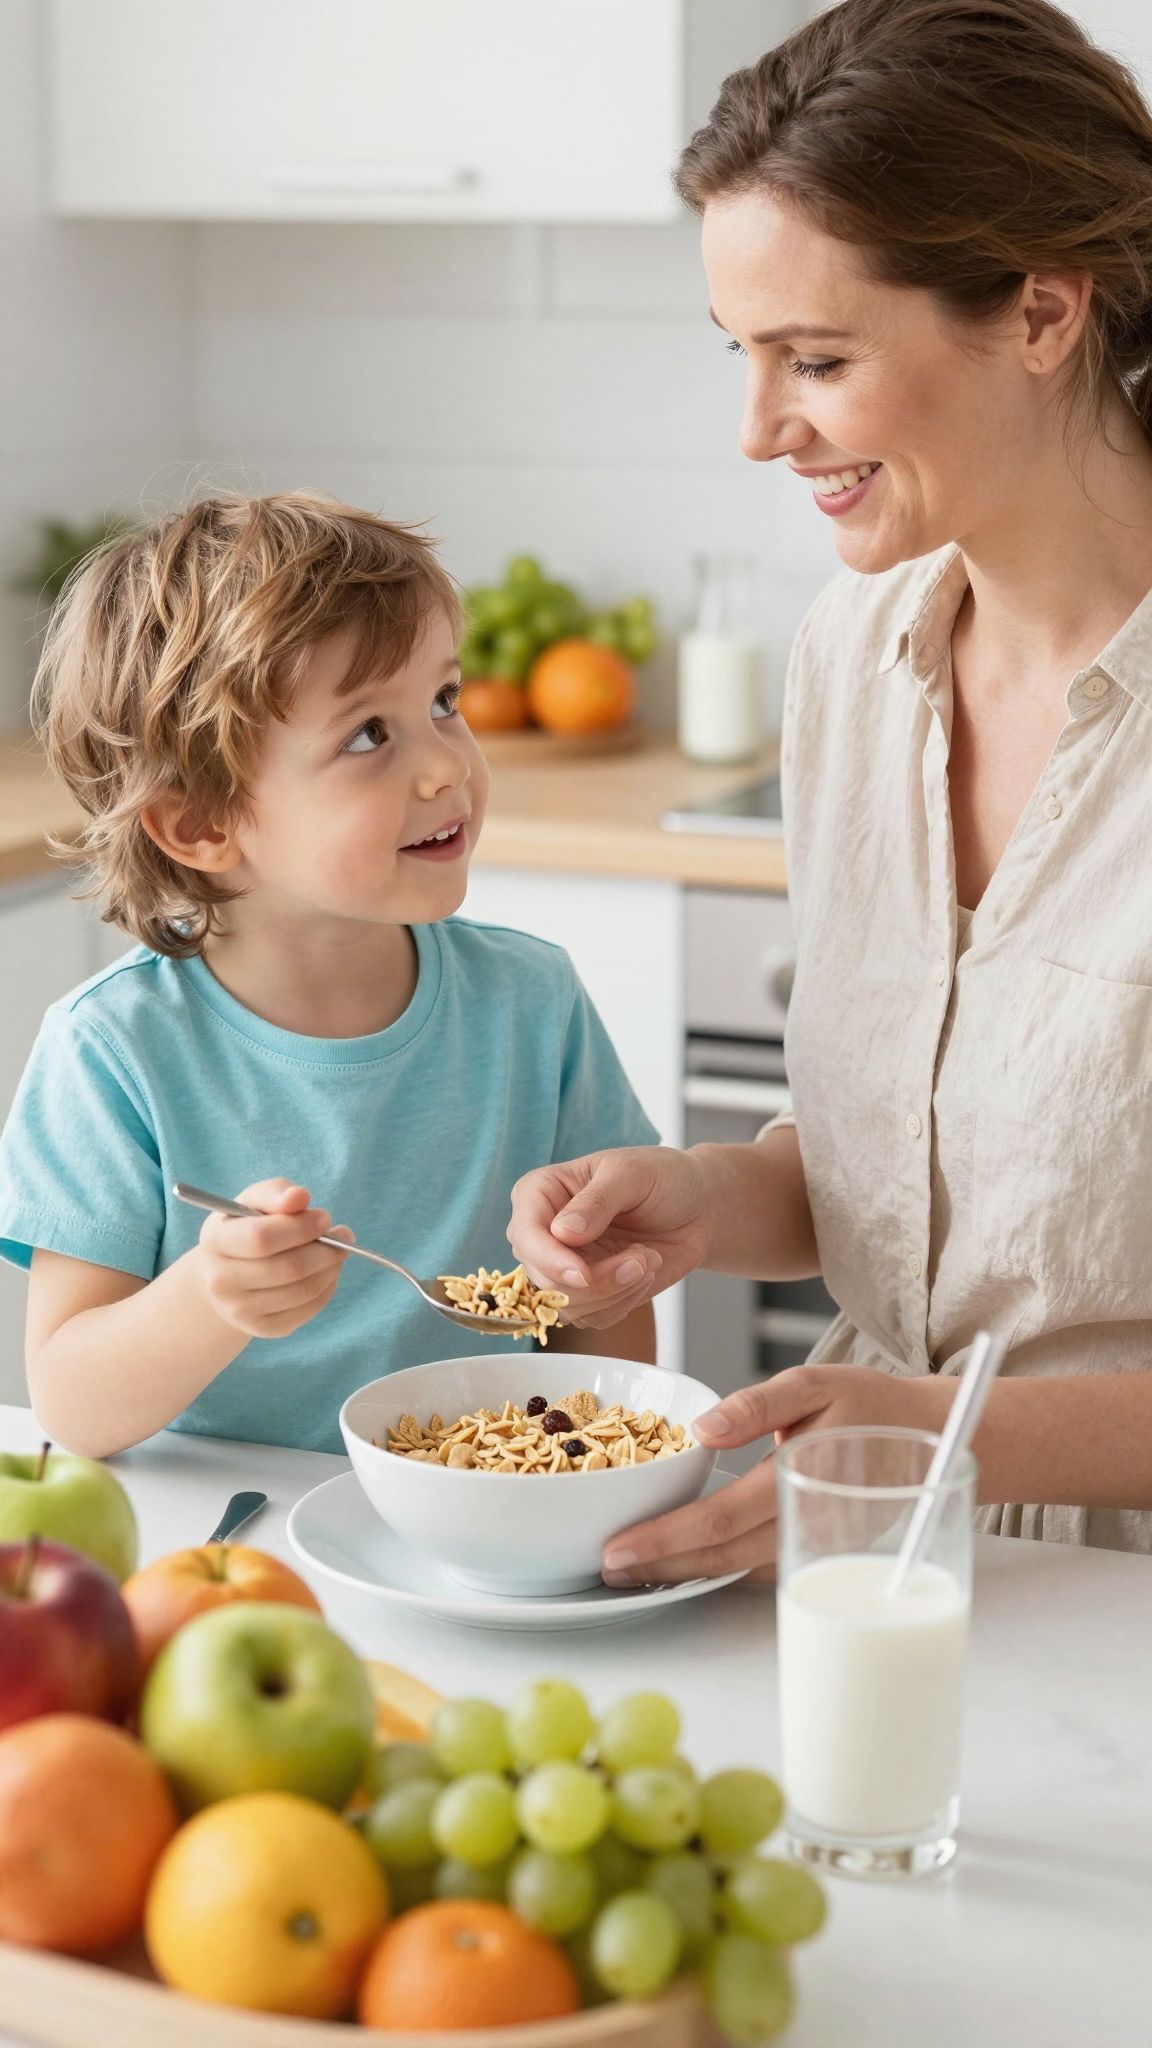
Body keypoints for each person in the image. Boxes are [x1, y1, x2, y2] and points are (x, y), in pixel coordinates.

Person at [509, 0, 1152, 1575]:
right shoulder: (852, 658)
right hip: (866, 1565)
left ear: (1044, 316)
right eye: (742, 355)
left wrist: (939, 1435)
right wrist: (706, 1199)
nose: (755, 429)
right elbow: (934, 1174)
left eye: (817, 360)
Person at [0, 492, 657, 1456]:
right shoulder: (112, 1050)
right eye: (367, 736)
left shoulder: (532, 1002)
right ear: (201, 825)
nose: (446, 768)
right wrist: (210, 1299)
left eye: (443, 701)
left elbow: (605, 1337)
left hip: (474, 1513)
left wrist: (597, 1307)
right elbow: (71, 1406)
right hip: (237, 1522)